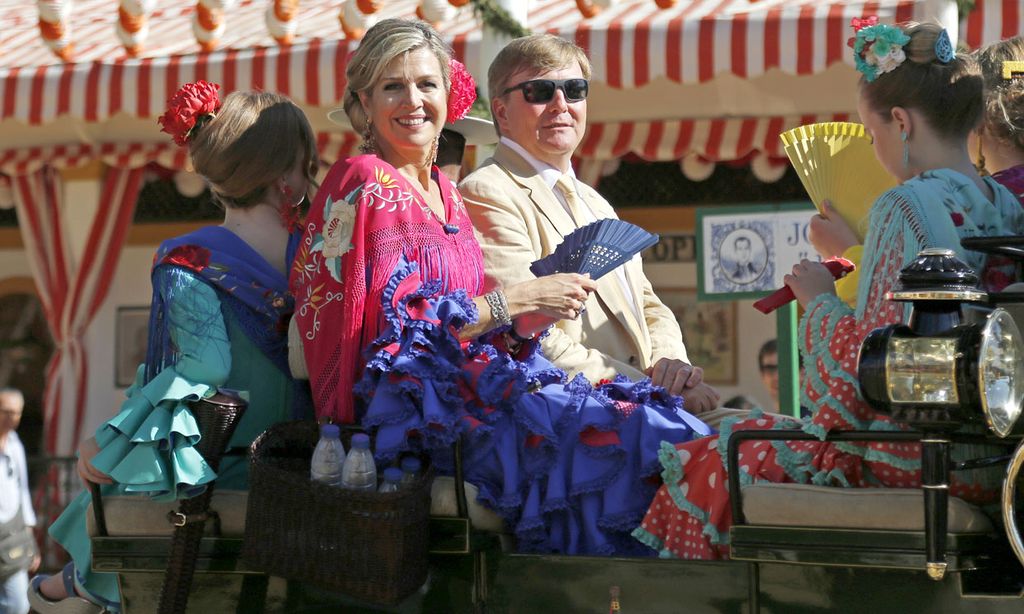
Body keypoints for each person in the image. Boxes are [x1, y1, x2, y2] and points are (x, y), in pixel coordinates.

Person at [292, 18, 711, 557]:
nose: (414, 100)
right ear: (363, 103)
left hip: (484, 387)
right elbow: (388, 338)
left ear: (449, 95)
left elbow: (483, 327)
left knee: (660, 424)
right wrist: (515, 303)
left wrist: (522, 325)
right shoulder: (365, 180)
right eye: (393, 86)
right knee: (646, 433)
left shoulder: (445, 192)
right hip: (416, 415)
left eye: (427, 84)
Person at [633, 19, 1024, 560]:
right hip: (987, 458)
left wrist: (818, 298)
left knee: (708, 458)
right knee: (745, 425)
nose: (871, 144)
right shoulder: (1004, 204)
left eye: (870, 132)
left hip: (909, 456)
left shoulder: (905, 204)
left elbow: (870, 367)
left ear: (902, 123)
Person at [29, 83, 315, 612]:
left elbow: (205, 366)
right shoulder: (322, 250)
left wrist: (109, 440)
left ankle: (74, 585)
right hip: (316, 459)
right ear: (290, 172)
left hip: (223, 465)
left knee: (128, 487)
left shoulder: (189, 259)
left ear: (214, 174)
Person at [459, 34, 720, 414]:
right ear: (500, 111)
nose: (560, 104)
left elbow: (647, 303)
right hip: (583, 417)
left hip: (647, 404)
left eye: (574, 89)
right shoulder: (487, 190)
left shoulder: (593, 200)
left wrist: (671, 369)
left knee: (791, 442)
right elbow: (529, 336)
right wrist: (649, 390)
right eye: (540, 91)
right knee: (774, 447)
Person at [0, 388, 38, 614]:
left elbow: (23, 491)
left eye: (16, 413)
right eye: (6, 411)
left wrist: (31, 540)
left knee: (19, 604)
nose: (11, 418)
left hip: (12, 537)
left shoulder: (15, 443)